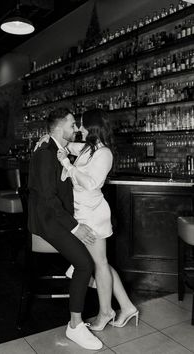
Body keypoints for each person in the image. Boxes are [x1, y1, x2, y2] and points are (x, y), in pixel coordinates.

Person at [37, 108, 138, 331]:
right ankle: (127, 306)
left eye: (83, 125)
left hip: (93, 214)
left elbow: (91, 183)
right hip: (82, 212)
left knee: (98, 263)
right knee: (100, 262)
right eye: (77, 124)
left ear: (93, 127)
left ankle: (106, 313)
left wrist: (68, 165)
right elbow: (62, 144)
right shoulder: (87, 148)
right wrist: (46, 137)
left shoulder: (105, 154)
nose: (79, 129)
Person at [27, 106, 103, 350]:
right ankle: (75, 326)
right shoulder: (45, 154)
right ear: (59, 128)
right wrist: (75, 227)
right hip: (48, 221)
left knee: (89, 257)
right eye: (72, 125)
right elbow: (49, 201)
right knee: (85, 264)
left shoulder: (56, 149)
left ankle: (80, 280)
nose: (76, 129)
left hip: (56, 217)